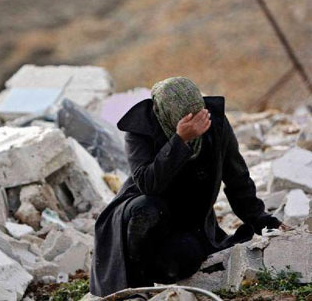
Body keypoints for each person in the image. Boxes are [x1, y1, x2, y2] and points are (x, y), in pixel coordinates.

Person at [90, 77, 286, 297]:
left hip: (187, 221)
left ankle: (161, 274)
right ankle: (135, 287)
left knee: (184, 260)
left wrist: (263, 221)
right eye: (187, 119)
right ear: (164, 113)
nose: (196, 123)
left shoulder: (214, 123)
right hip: (140, 211)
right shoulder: (140, 128)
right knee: (147, 208)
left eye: (198, 115)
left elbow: (237, 178)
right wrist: (179, 141)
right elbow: (148, 184)